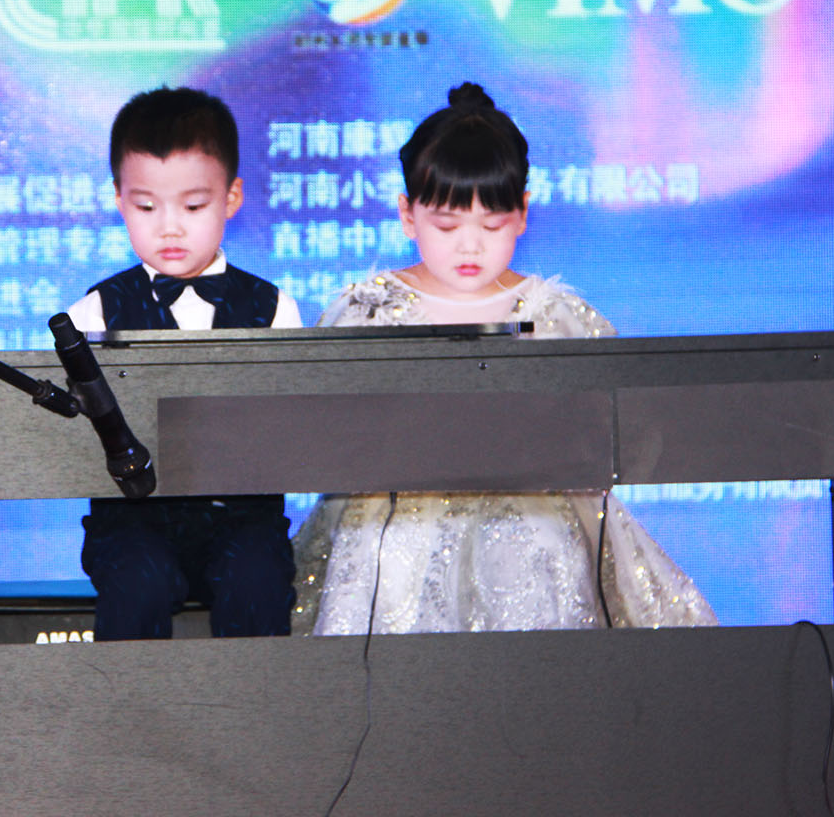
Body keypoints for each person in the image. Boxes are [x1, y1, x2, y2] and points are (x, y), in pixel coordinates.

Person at [293, 82, 716, 636]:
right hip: (397, 530)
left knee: (539, 555)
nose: (469, 246)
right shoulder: (367, 311)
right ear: (407, 214)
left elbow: (617, 436)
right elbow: (325, 434)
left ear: (521, 214)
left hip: (531, 520)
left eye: (490, 226)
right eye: (447, 225)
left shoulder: (557, 315)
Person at [64, 86, 302, 641]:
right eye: (147, 207)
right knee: (136, 583)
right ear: (119, 199)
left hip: (243, 516)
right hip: (133, 519)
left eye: (193, 207)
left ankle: (256, 699)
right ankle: (132, 701)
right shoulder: (92, 312)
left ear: (232, 196)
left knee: (256, 580)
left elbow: (290, 429)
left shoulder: (274, 308)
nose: (169, 227)